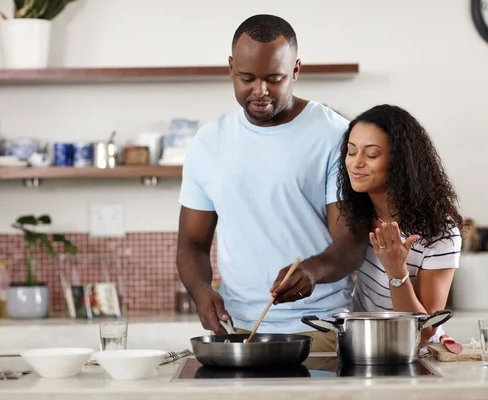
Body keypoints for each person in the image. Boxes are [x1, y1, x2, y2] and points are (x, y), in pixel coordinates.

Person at [176, 14, 367, 352]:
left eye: (274, 78)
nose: (260, 91)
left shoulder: (335, 136)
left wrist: (313, 270)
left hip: (318, 331)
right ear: (231, 68)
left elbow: (352, 240)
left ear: (295, 70)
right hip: (237, 334)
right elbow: (192, 243)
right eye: (247, 78)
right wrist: (200, 290)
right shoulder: (208, 142)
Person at [274, 104, 463, 347]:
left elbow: (422, 334)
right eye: (351, 152)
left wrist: (396, 271)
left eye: (371, 155)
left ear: (401, 163)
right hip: (365, 349)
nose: (355, 164)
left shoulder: (438, 233)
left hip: (415, 358)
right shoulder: (355, 215)